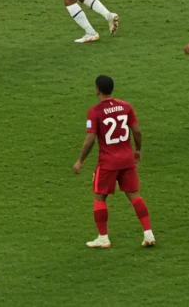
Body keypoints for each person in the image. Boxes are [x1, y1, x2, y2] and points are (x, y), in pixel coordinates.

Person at [73, 75, 154, 248]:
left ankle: (103, 237)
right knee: (134, 196)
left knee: (99, 198)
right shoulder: (126, 106)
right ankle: (148, 233)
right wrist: (137, 150)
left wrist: (80, 160)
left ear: (97, 89)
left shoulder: (95, 111)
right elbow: (137, 131)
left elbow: (90, 139)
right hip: (127, 160)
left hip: (108, 162)